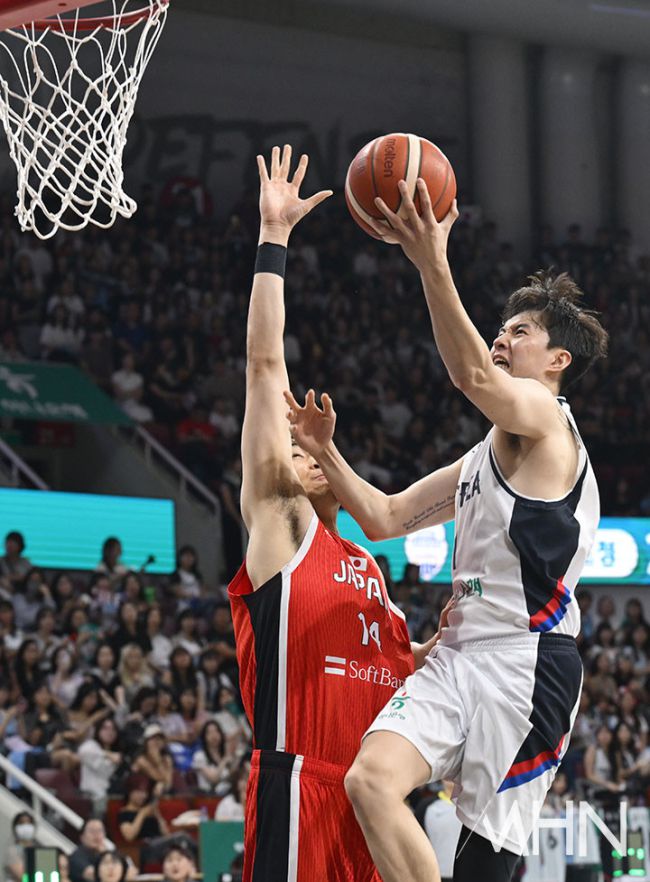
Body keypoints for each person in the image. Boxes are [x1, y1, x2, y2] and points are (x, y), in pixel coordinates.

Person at [286, 178, 608, 881]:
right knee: (370, 781)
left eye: (521, 332)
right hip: (458, 656)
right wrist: (326, 453)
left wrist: (431, 258)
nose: (502, 337)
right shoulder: (482, 455)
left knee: (481, 868)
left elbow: (472, 377)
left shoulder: (548, 423)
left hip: (525, 668)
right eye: (503, 328)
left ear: (558, 361)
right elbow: (385, 518)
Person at [228, 146, 416, 882]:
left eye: (315, 448)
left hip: (373, 801)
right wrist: (274, 239)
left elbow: (396, 664)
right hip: (300, 784)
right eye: (294, 447)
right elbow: (263, 368)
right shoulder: (284, 523)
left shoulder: (368, 564)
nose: (302, 451)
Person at [4, 811, 37, 882]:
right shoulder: (12, 851)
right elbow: (23, 878)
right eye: (21, 823)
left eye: (29, 823)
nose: (26, 827)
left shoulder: (37, 850)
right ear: (15, 828)